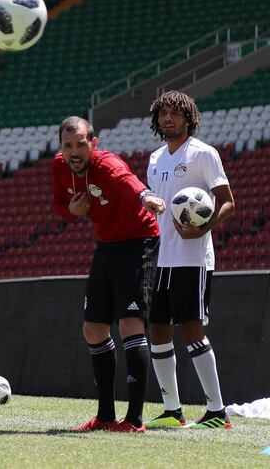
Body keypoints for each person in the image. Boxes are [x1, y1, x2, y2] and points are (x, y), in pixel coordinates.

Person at [52, 116, 161, 433]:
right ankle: (105, 417)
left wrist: (147, 197)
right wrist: (70, 211)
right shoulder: (60, 167)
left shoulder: (107, 164)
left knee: (130, 325)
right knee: (94, 329)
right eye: (68, 145)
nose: (74, 152)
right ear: (61, 147)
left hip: (139, 241)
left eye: (81, 144)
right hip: (107, 245)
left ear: (93, 144)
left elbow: (127, 181)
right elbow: (60, 204)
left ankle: (135, 421)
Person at [142, 91, 235, 429]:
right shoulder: (154, 159)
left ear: (188, 117)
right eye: (163, 113)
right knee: (158, 330)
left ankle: (216, 410)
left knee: (191, 330)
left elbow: (227, 202)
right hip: (159, 257)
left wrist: (203, 228)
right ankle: (172, 410)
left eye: (175, 114)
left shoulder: (202, 154)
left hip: (192, 259)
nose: (169, 119)